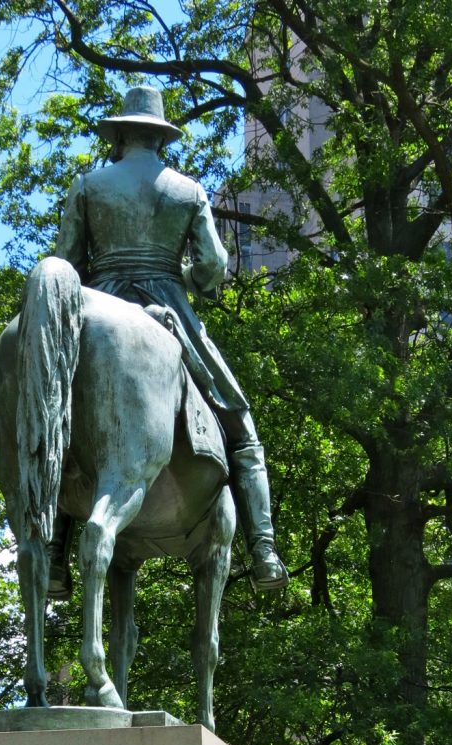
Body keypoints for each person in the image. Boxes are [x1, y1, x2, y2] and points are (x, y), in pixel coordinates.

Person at [51, 85, 288, 594]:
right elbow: (214, 265)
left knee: (59, 416)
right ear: (159, 137)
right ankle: (263, 547)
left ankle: (53, 550)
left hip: (98, 307)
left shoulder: (88, 185)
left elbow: (67, 264)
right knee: (240, 424)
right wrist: (185, 277)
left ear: (118, 135)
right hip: (170, 307)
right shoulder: (187, 190)